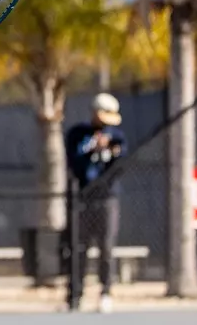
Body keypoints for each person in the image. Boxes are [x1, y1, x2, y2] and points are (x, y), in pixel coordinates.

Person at [64, 93, 128, 313]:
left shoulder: (116, 136)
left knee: (106, 248)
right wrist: (92, 149)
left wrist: (110, 149)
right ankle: (75, 294)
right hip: (82, 198)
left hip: (107, 198)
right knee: (78, 248)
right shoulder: (78, 134)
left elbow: (121, 165)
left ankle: (106, 292)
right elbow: (74, 162)